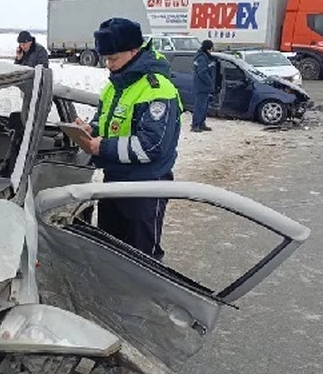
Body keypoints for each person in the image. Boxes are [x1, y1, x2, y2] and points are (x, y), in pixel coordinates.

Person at [73, 17, 182, 260]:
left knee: (141, 257)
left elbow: (152, 146)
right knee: (110, 251)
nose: (109, 66)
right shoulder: (114, 86)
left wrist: (103, 147)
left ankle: (144, 297)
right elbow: (106, 124)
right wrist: (90, 129)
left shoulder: (157, 89)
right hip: (114, 181)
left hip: (145, 187)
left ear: (134, 51)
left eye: (114, 58)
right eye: (106, 59)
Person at [192, 39, 217, 132]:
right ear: (209, 48)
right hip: (202, 86)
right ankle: (195, 125)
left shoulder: (203, 56)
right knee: (200, 106)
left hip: (202, 86)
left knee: (204, 106)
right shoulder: (202, 58)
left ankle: (202, 124)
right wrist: (210, 82)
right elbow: (202, 72)